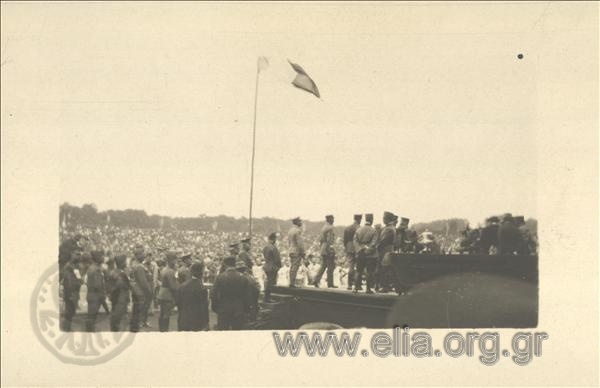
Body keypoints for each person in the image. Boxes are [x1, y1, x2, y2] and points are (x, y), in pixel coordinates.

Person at [211, 256, 252, 330]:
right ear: (235, 264)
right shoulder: (242, 277)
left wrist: (216, 308)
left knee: (223, 335)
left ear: (225, 264)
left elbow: (213, 295)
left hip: (224, 309)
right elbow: (248, 296)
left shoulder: (220, 277)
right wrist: (245, 309)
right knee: (237, 335)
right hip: (238, 309)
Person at [176, 262, 209, 331]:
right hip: (197, 322)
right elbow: (204, 308)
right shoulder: (202, 288)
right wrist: (206, 323)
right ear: (201, 273)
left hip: (183, 320)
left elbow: (179, 304)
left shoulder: (182, 286)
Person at [129, 246, 153, 332]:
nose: (144, 255)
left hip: (136, 292)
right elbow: (143, 282)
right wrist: (149, 292)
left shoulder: (134, 264)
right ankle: (135, 330)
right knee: (138, 313)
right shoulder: (139, 266)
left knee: (135, 312)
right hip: (140, 292)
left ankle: (134, 328)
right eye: (142, 253)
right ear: (138, 255)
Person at [353, 213, 378, 293]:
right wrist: (368, 250)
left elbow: (355, 241)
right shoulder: (373, 230)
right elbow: (374, 243)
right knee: (369, 271)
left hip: (360, 252)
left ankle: (355, 288)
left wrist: (359, 249)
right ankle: (368, 289)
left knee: (358, 271)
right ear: (371, 220)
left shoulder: (359, 229)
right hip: (370, 254)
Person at [377, 212, 399, 294]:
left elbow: (384, 241)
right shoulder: (390, 227)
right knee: (387, 268)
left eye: (384, 218)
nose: (383, 219)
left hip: (386, 250)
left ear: (387, 219)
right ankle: (387, 285)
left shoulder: (389, 229)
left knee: (384, 268)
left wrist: (377, 248)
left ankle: (384, 287)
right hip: (387, 249)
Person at [313, 215, 337, 288]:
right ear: (330, 219)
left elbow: (321, 240)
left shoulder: (323, 227)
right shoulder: (330, 228)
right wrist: (331, 250)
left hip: (323, 248)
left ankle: (316, 280)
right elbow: (330, 240)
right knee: (330, 266)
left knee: (323, 266)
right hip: (328, 249)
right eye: (333, 219)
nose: (333, 220)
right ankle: (330, 284)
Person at [108, 255, 130, 331]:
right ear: (122, 263)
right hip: (120, 300)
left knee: (115, 320)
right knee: (118, 321)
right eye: (125, 261)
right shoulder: (121, 274)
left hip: (117, 299)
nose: (126, 263)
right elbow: (125, 286)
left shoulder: (113, 272)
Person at [157, 251, 179, 332]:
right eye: (174, 260)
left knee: (162, 314)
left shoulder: (164, 269)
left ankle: (161, 330)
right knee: (166, 314)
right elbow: (173, 287)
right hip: (167, 295)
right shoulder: (170, 271)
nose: (175, 262)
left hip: (162, 293)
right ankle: (164, 331)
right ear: (170, 260)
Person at [85, 250, 106, 332]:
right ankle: (89, 332)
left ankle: (89, 330)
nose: (103, 258)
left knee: (91, 316)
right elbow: (98, 285)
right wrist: (102, 295)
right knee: (92, 316)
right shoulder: (96, 269)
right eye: (101, 256)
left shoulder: (92, 267)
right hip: (95, 295)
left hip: (91, 294)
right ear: (97, 258)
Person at [61, 254, 82, 332]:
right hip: (71, 294)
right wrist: (79, 278)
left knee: (70, 311)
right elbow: (72, 283)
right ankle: (66, 327)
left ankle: (66, 326)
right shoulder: (71, 271)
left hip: (69, 293)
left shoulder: (68, 269)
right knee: (70, 311)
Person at [343, 214, 362, 290]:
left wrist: (347, 247)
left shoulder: (347, 228)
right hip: (357, 247)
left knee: (351, 266)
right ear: (359, 219)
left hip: (349, 247)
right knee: (359, 267)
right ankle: (358, 285)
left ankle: (349, 285)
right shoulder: (360, 228)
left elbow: (345, 240)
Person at [262, 232, 282, 302]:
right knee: (271, 283)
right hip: (272, 267)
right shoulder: (273, 248)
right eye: (274, 239)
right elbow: (277, 259)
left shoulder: (265, 247)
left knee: (268, 282)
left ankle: (267, 297)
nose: (275, 241)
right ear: (273, 239)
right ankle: (268, 298)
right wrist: (279, 266)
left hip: (267, 266)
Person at [287, 217, 306, 288]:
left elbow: (289, 242)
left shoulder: (290, 230)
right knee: (295, 267)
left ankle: (291, 282)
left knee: (292, 267)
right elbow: (300, 243)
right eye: (299, 221)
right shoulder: (298, 231)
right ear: (297, 222)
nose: (301, 222)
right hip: (296, 251)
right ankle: (292, 283)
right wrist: (303, 252)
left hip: (291, 250)